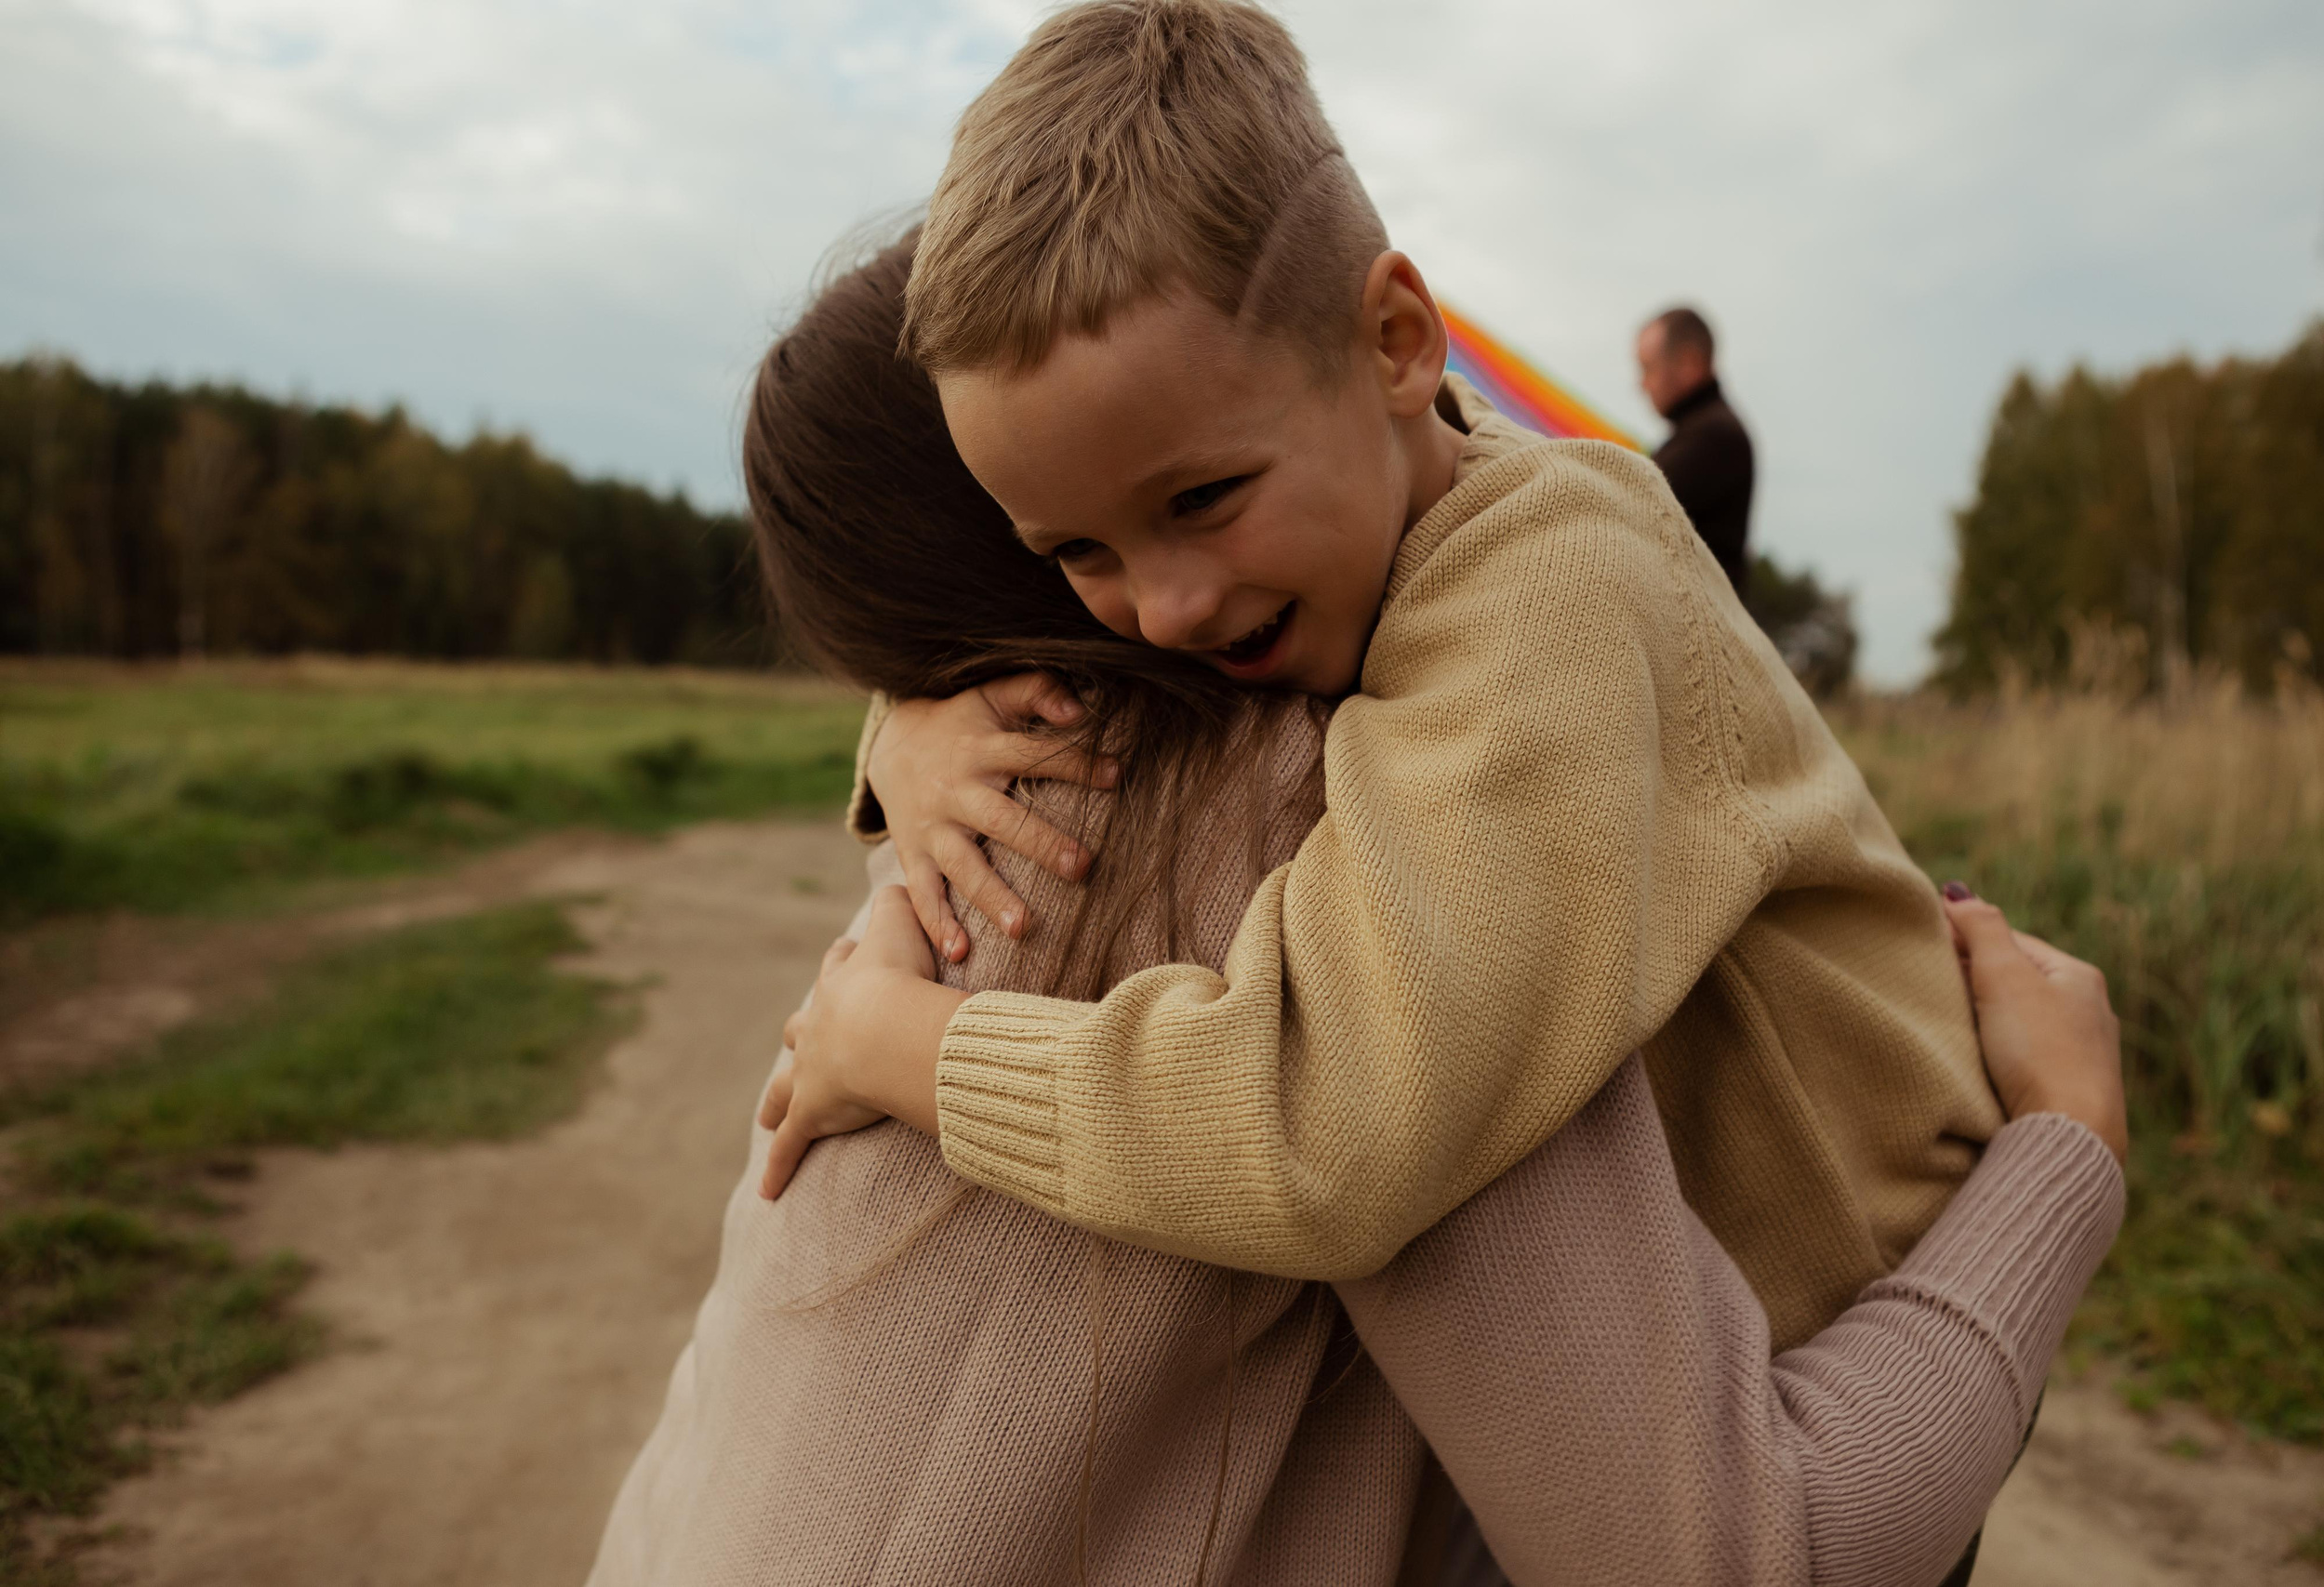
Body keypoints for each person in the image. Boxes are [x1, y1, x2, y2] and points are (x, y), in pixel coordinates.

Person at [589, 232, 2127, 1585]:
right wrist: (2063, 1149)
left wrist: (894, 729)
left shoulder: (959, 822)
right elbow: (1733, 1560)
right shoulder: (1351, 866)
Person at [764, 0, 1995, 1357]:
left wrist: (896, 1039)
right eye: (1075, 550)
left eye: (1207, 495)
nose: (1163, 609)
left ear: (1402, 342)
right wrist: (907, 729)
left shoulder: (1553, 589)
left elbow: (1325, 1123)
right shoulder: (1332, 540)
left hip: (1873, 1323)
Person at [1638, 305, 1756, 594]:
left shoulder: (1715, 436)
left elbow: (1633, 503)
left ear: (1689, 363)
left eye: (1648, 369)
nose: (1641, 385)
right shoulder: (1705, 429)